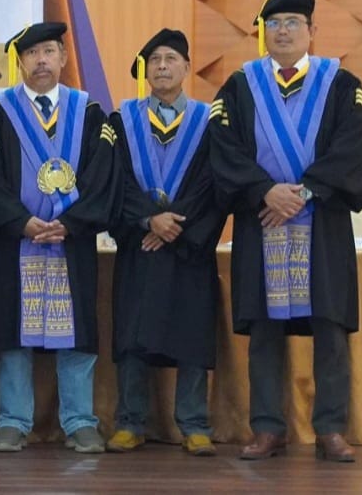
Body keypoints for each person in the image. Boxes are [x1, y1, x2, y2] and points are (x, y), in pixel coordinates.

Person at [209, 0, 362, 463]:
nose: (282, 31)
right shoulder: (240, 87)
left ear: (312, 31)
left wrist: (303, 192)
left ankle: (330, 429)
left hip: (322, 223)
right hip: (261, 220)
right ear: (264, 33)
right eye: (273, 24)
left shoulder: (341, 84)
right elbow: (223, 147)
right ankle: (267, 428)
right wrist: (265, 190)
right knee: (265, 328)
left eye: (292, 23)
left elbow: (354, 145)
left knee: (330, 327)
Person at [0, 21, 118, 454]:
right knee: (12, 330)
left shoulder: (89, 113)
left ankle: (80, 420)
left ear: (63, 57)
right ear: (20, 62)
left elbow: (103, 175)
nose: (40, 60)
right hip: (15, 240)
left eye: (48, 51)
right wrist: (19, 220)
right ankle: (12, 420)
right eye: (31, 53)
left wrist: (72, 223)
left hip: (71, 242)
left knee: (76, 329)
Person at [106, 28, 226, 457]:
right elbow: (115, 180)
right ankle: (130, 422)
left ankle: (194, 424)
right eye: (154, 60)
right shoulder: (121, 122)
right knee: (132, 335)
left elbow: (213, 183)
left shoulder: (210, 123)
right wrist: (147, 220)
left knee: (191, 333)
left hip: (188, 247)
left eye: (170, 59)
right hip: (140, 244)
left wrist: (175, 227)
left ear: (187, 67)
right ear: (145, 70)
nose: (161, 66)